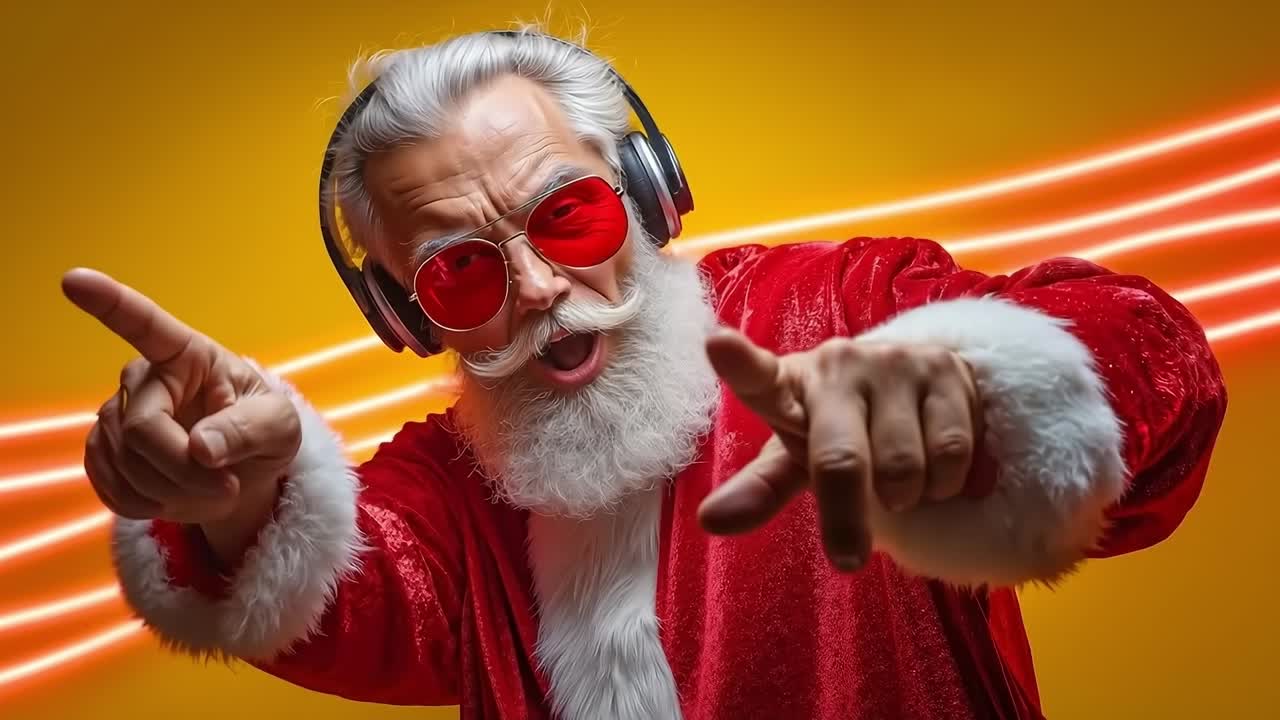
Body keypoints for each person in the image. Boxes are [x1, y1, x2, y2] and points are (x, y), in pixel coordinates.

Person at [62, 26, 1226, 720]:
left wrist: (978, 393)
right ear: (404, 316)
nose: (531, 289)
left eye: (564, 215)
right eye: (462, 273)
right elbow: (360, 598)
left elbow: (1143, 350)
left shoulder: (840, 309)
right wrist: (234, 503)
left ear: (646, 193)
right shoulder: (449, 488)